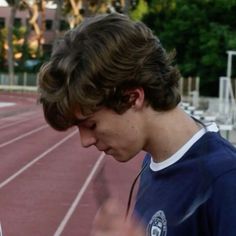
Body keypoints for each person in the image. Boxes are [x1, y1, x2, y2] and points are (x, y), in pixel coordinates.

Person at [38, 13, 236, 236]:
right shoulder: (153, 163)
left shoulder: (225, 179)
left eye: (91, 125)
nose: (85, 141)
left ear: (133, 97)